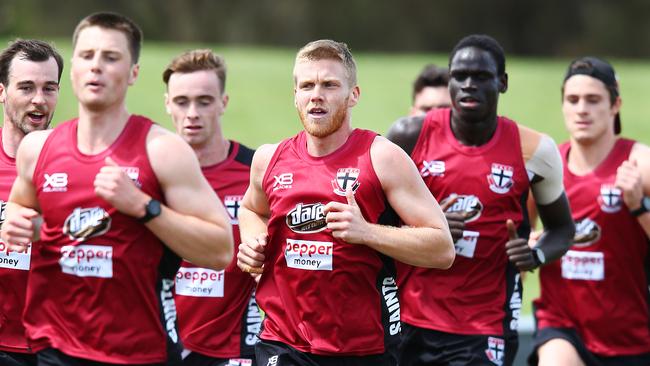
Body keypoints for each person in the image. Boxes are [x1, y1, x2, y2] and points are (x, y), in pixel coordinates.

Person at [1, 12, 233, 365]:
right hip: (54, 347)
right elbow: (19, 208)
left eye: (111, 58)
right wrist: (20, 223)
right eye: (87, 56)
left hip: (138, 352)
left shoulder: (162, 150)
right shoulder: (39, 150)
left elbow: (219, 250)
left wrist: (144, 207)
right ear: (75, 68)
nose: (96, 67)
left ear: (133, 73)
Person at [236, 39, 455, 365]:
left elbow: (442, 248)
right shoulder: (269, 159)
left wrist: (367, 232)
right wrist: (255, 242)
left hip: (362, 348)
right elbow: (252, 209)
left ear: (353, 95)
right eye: (307, 85)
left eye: (329, 84)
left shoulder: (382, 158)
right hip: (283, 342)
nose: (316, 95)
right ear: (295, 95)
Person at [386, 34, 575, 366]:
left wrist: (535, 254)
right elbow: (375, 222)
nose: (469, 85)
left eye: (482, 77)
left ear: (502, 83)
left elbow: (562, 230)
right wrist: (426, 230)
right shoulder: (408, 135)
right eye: (459, 76)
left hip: (485, 324)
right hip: (409, 316)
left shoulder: (534, 150)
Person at [528, 57, 650, 366]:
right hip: (562, 325)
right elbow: (518, 235)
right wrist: (529, 246)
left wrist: (639, 206)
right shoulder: (545, 165)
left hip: (632, 334)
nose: (582, 109)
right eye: (573, 100)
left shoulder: (640, 164)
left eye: (593, 100)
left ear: (615, 105)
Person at [163, 49, 260, 366]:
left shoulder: (255, 172)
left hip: (234, 349)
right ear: (167, 104)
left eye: (204, 101)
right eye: (181, 102)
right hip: (162, 342)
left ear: (223, 102)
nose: (192, 113)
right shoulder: (150, 173)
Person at [0, 39, 63, 366]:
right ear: (2, 92)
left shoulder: (76, 165)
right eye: (26, 87)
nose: (39, 100)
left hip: (56, 346)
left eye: (49, 88)